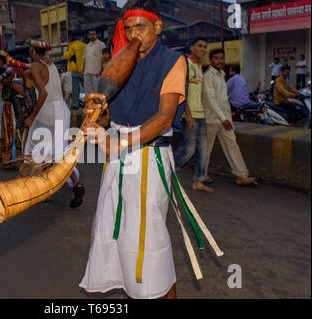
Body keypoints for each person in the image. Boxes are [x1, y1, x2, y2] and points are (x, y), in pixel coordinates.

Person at [81, 0, 191, 299]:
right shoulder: (119, 61)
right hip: (118, 158)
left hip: (149, 157)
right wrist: (97, 117)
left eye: (140, 27)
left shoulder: (173, 61)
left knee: (147, 242)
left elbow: (165, 117)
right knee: (119, 240)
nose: (133, 35)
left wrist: (119, 142)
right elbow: (110, 117)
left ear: (158, 26)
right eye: (128, 28)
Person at [24, 41, 85, 209]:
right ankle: (75, 183)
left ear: (32, 51)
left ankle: (44, 190)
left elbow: (42, 94)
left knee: (38, 149)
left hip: (49, 109)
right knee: (57, 151)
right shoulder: (50, 65)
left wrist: (31, 117)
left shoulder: (37, 66)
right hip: (61, 109)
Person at [203, 49, 256, 186]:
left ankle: (242, 175)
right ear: (211, 60)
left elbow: (224, 100)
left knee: (232, 145)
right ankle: (202, 175)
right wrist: (223, 118)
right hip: (212, 119)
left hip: (225, 119)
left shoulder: (222, 75)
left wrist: (228, 118)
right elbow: (211, 100)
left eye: (221, 58)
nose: (219, 61)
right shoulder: (208, 76)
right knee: (207, 149)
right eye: (216, 58)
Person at [174, 37, 213, 193]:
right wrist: (187, 114)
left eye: (205, 47)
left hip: (201, 114)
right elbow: (182, 92)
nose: (203, 49)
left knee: (202, 149)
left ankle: (198, 180)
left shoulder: (200, 67)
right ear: (192, 47)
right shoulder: (186, 65)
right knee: (189, 149)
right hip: (190, 114)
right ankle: (169, 167)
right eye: (199, 46)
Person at [64, 35, 86, 109]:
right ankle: (89, 102)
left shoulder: (72, 46)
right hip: (84, 69)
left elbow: (67, 56)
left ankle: (75, 104)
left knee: (75, 88)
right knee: (85, 88)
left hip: (75, 70)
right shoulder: (84, 45)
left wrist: (67, 50)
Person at [83, 29, 106, 95]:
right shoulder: (87, 46)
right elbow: (85, 59)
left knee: (97, 91)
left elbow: (103, 59)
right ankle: (90, 105)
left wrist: (101, 71)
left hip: (96, 72)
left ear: (96, 35)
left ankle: (98, 105)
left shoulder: (101, 45)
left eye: (93, 34)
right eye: (90, 34)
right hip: (87, 72)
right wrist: (82, 71)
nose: (92, 36)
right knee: (88, 92)